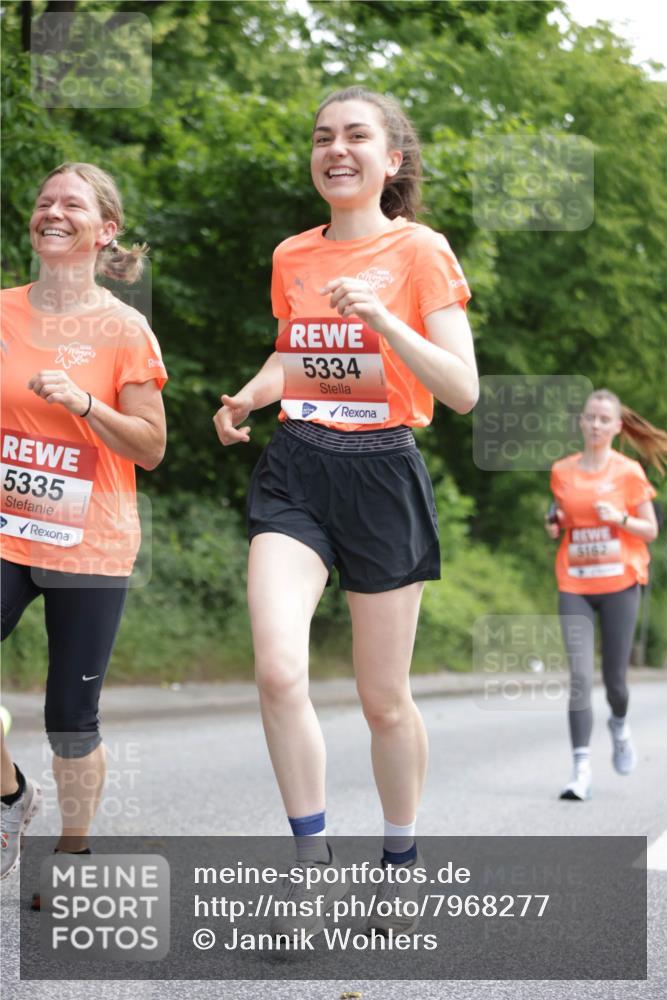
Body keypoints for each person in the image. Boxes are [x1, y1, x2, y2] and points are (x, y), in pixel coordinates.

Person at [214, 87, 478, 934]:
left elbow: (463, 390)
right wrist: (249, 397)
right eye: (324, 136)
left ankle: (399, 855)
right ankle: (310, 868)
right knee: (279, 670)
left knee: (382, 701)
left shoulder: (421, 251)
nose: (337, 148)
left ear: (390, 161)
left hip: (382, 477)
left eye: (356, 136)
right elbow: (292, 355)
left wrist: (383, 324)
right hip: (296, 468)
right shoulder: (293, 254)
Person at [1, 163, 167, 883]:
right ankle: (10, 795)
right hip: (6, 528)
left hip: (88, 541)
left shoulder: (124, 329)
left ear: (106, 230)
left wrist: (84, 405)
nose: (52, 212)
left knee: (70, 716)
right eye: (44, 202)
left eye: (72, 204)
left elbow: (152, 446)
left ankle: (71, 854)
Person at [546, 389, 665, 801]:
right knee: (580, 679)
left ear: (616, 427)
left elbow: (650, 529)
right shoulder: (562, 470)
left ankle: (619, 725)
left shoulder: (629, 472)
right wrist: (554, 522)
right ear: (581, 422)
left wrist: (621, 518)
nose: (595, 424)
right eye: (590, 417)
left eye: (603, 419)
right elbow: (562, 514)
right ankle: (580, 770)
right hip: (575, 582)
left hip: (620, 583)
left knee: (615, 681)